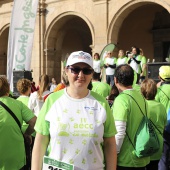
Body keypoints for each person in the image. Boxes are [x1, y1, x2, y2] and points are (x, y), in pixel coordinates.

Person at [31, 51, 117, 170]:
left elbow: (110, 143)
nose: (81, 75)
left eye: (86, 70)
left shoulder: (101, 103)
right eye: (75, 69)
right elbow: (40, 142)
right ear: (66, 71)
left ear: (92, 73)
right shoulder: (52, 100)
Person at [112, 64, 150, 169]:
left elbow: (119, 132)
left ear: (115, 80)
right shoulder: (141, 97)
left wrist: (113, 156)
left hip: (126, 159)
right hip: (141, 156)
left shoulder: (121, 100)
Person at [0, 76, 36, 170]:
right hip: (16, 158)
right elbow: (34, 122)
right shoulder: (17, 104)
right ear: (7, 89)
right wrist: (27, 134)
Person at [140, 78, 167, 170]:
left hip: (143, 144)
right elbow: (164, 126)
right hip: (157, 145)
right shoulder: (162, 107)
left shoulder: (141, 106)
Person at [155, 66, 170, 170]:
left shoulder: (159, 90)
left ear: (160, 76)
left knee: (163, 157)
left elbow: (155, 105)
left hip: (164, 125)